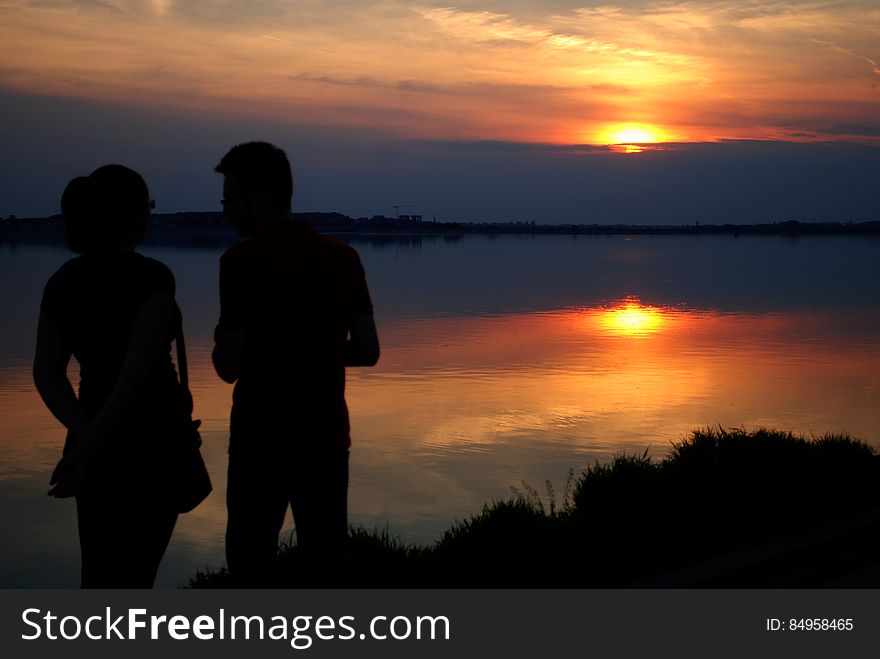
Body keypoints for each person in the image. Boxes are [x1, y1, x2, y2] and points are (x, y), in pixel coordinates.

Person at [213, 141, 379, 586]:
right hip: (325, 440)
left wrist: (265, 349)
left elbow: (229, 365)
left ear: (261, 199)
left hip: (257, 443)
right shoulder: (344, 259)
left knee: (250, 572)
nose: (227, 211)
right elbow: (367, 351)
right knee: (325, 572)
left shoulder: (238, 263)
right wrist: (315, 348)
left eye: (230, 199)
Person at [33, 164, 184, 588]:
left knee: (98, 573)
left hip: (91, 432)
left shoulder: (62, 281)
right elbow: (137, 376)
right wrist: (97, 442)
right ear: (133, 213)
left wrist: (86, 435)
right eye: (149, 206)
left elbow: (47, 374)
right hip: (153, 436)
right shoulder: (152, 277)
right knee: (137, 576)